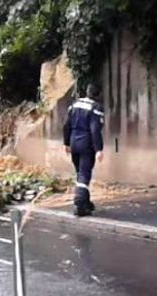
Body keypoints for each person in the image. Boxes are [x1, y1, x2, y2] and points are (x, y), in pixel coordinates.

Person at [63, 83, 105, 217]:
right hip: (86, 144)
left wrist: (66, 143)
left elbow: (66, 125)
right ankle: (80, 203)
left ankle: (86, 202)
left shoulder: (74, 104)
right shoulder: (96, 108)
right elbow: (95, 129)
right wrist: (99, 149)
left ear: (87, 92)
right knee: (84, 174)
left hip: (74, 142)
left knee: (80, 173)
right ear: (98, 94)